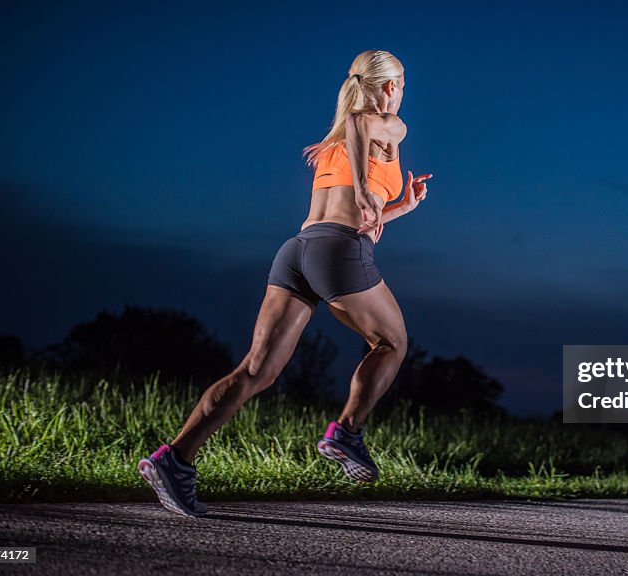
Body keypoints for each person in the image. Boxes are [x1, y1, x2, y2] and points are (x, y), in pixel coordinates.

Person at [138, 49, 432, 517]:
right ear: (392, 87)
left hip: (298, 251)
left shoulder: (332, 141)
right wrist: (362, 188)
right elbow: (358, 174)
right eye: (402, 87)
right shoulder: (387, 124)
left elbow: (363, 221)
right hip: (336, 251)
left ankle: (174, 458)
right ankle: (347, 433)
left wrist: (401, 208)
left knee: (257, 370)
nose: (401, 96)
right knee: (392, 342)